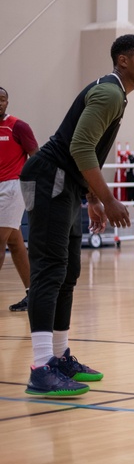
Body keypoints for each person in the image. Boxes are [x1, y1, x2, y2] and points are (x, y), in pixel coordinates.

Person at [20, 33, 134, 397]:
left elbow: (87, 149)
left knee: (68, 271)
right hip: (48, 177)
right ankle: (41, 366)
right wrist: (109, 199)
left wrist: (92, 196)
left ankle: (60, 356)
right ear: (122, 61)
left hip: (67, 183)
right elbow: (79, 146)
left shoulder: (115, 95)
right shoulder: (110, 92)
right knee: (49, 268)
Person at [0, 86, 38, 311]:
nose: (0, 103)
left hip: (13, 187)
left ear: (7, 102)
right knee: (15, 242)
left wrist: (33, 189)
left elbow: (36, 157)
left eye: (3, 99)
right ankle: (33, 294)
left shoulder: (18, 126)